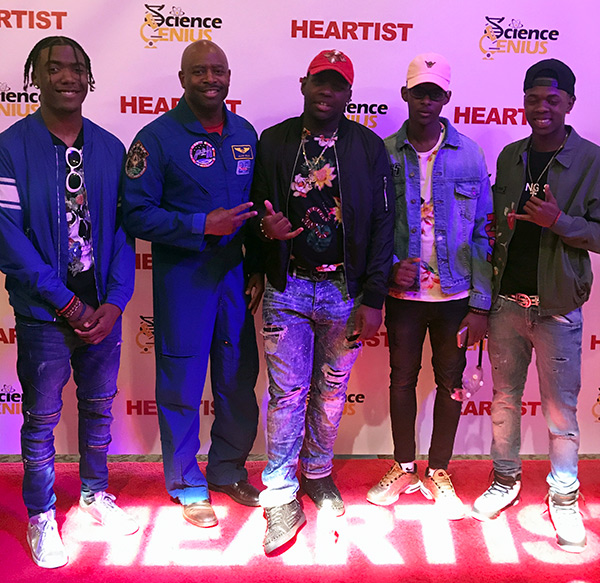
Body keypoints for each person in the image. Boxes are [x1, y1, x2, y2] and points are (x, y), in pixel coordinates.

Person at [0, 36, 137, 569]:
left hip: (101, 310)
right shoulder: (11, 147)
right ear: (36, 76)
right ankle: (40, 515)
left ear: (89, 78)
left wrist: (117, 302)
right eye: (54, 68)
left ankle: (95, 494)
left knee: (100, 407)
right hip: (43, 314)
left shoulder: (109, 147)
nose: (67, 77)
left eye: (76, 68)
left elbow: (124, 232)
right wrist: (65, 304)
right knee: (41, 416)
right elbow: (8, 237)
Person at [250, 49, 394, 554]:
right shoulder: (275, 141)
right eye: (319, 82)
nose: (326, 92)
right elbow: (257, 213)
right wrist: (265, 239)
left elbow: (383, 227)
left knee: (332, 391)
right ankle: (281, 491)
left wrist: (374, 295)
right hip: (288, 285)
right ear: (304, 85)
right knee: (287, 394)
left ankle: (317, 472)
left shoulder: (368, 148)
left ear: (349, 94)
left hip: (344, 290)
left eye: (337, 85)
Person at [122, 40, 262, 529]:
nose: (210, 80)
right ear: (182, 79)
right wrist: (201, 224)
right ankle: (187, 482)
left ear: (229, 76)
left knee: (236, 378)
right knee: (182, 383)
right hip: (185, 279)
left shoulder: (245, 132)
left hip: (235, 278)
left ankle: (227, 468)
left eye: (218, 71)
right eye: (199, 71)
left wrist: (260, 268)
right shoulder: (156, 138)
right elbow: (135, 212)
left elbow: (258, 212)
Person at [471, 59, 600, 553]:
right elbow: (496, 230)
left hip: (557, 309)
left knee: (560, 412)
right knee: (503, 400)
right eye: (533, 98)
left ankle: (563, 494)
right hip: (506, 304)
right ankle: (505, 479)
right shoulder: (509, 156)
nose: (541, 108)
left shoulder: (590, 159)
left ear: (570, 103)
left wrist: (560, 221)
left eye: (552, 99)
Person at [366, 53, 493, 520]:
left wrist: (481, 303)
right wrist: (388, 268)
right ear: (405, 94)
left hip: (456, 297)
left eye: (435, 92)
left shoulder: (471, 154)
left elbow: (483, 230)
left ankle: (438, 469)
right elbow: (374, 225)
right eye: (419, 91)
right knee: (401, 380)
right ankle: (403, 465)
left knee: (450, 383)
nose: (426, 100)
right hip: (403, 297)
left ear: (447, 98)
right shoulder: (383, 151)